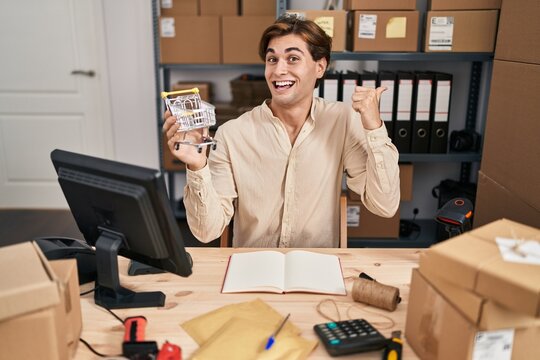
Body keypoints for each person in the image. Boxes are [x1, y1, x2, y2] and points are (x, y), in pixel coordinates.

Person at [162, 14, 400, 248]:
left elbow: (385, 206)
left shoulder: (342, 121)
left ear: (320, 67)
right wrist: (196, 166)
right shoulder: (232, 134)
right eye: (272, 60)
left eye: (293, 59)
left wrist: (374, 127)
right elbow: (206, 232)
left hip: (316, 269)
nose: (278, 71)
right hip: (253, 269)